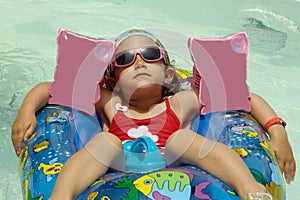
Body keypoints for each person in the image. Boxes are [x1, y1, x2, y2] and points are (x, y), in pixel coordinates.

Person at [11, 29, 295, 199]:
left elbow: (243, 100)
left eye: (149, 54)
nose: (138, 63)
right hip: (120, 167)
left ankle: (247, 185)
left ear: (169, 73)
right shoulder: (111, 103)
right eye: (124, 60)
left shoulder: (180, 103)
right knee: (107, 142)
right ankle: (62, 195)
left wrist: (277, 129)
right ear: (112, 80)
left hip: (175, 167)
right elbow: (51, 90)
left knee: (180, 139)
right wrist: (26, 111)